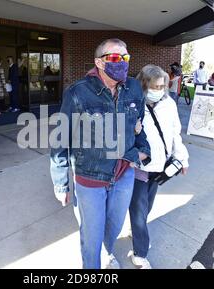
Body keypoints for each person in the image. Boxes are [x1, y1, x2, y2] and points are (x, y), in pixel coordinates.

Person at [50, 38, 150, 269]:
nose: (122, 62)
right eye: (115, 58)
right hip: (90, 176)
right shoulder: (78, 92)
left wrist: (142, 152)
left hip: (124, 174)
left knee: (114, 226)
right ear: (99, 62)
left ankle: (107, 253)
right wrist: (61, 183)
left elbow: (140, 126)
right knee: (91, 236)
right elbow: (61, 138)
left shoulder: (133, 88)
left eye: (125, 57)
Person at [129, 64, 189, 269]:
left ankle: (138, 232)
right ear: (144, 85)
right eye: (155, 86)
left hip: (159, 166)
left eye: (162, 86)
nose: (159, 90)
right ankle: (140, 252)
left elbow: (175, 134)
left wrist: (182, 158)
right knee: (138, 210)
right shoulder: (133, 103)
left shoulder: (169, 104)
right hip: (137, 166)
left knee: (146, 207)